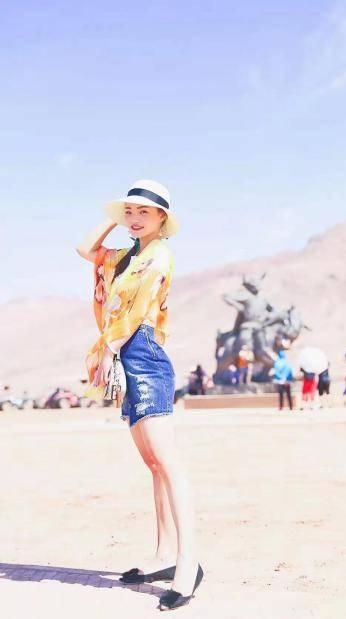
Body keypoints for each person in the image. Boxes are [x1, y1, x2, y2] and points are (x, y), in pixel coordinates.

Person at [76, 179, 203, 610]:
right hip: (125, 352)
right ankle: (164, 555)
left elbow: (134, 312)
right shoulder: (126, 256)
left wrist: (110, 351)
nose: (134, 218)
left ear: (162, 218)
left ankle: (188, 563)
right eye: (129, 211)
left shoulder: (158, 255)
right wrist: (115, 219)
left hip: (142, 353)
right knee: (153, 464)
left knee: (168, 463)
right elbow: (85, 249)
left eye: (143, 212)